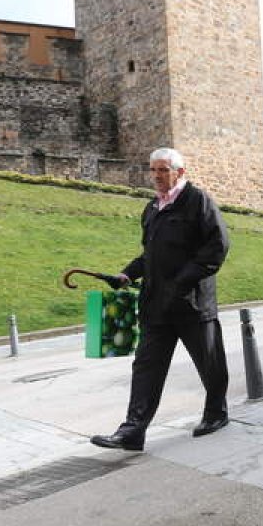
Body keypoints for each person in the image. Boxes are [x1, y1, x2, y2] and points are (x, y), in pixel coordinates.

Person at [91, 147, 231, 451]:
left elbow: (217, 248)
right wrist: (127, 275)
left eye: (163, 170)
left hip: (191, 303)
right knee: (146, 367)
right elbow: (150, 256)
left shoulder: (198, 201)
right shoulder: (152, 208)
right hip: (156, 305)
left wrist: (181, 281)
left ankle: (216, 413)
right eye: (152, 170)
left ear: (179, 172)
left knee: (210, 362)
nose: (156, 176)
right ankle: (132, 430)